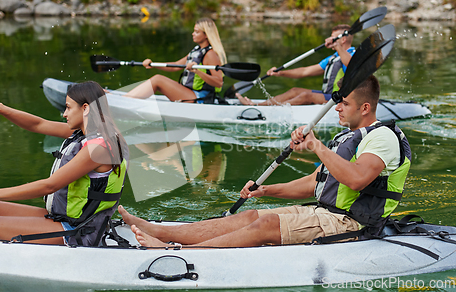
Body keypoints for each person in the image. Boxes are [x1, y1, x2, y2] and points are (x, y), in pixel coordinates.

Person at [119, 75, 411, 248]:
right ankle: (159, 229)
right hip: (324, 211)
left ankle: (175, 250)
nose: (337, 108)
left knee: (267, 223)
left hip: (351, 223)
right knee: (250, 216)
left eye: (344, 104)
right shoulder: (348, 137)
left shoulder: (382, 137)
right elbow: (315, 183)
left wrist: (317, 146)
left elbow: (358, 179)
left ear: (365, 107)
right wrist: (267, 190)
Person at [0, 81, 129, 246]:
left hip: (78, 231)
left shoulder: (99, 148)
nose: (64, 114)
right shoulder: (86, 133)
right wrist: (1, 109)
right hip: (62, 218)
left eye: (68, 107)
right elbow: (39, 124)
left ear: (85, 109)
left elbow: (50, 186)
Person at [236, 24, 355, 106]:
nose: (329, 39)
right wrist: (281, 73)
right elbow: (305, 71)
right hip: (328, 95)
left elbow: (351, 65)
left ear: (343, 39)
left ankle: (273, 110)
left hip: (342, 98)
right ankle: (258, 105)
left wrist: (337, 46)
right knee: (295, 90)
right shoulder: (333, 58)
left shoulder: (353, 54)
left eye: (333, 37)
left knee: (305, 96)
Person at [125, 17, 227, 104]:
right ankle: (127, 98)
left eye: (196, 32)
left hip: (200, 98)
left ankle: (126, 101)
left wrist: (197, 71)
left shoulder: (211, 55)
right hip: (190, 93)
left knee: (158, 80)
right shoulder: (197, 51)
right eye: (193, 31)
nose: (193, 34)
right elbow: (175, 66)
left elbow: (219, 82)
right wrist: (153, 64)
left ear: (206, 35)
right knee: (158, 80)